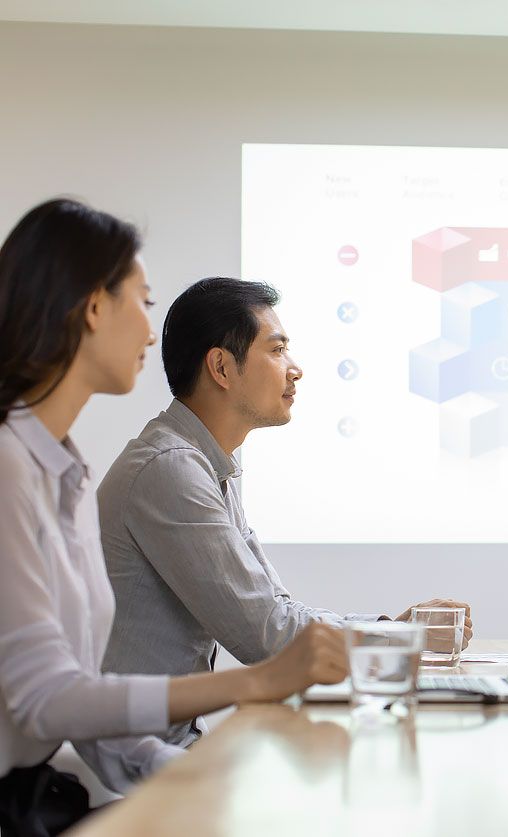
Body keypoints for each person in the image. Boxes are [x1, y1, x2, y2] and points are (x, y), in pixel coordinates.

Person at [0, 198, 346, 835]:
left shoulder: (65, 468)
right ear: (93, 308)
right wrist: (249, 686)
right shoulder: (16, 468)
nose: (149, 331)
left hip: (68, 782)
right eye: (143, 301)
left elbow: (86, 699)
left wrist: (189, 771)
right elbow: (50, 700)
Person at [95, 277, 473, 763]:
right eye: (277, 350)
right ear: (221, 367)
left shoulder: (206, 466)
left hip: (170, 744)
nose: (296, 370)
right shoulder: (170, 470)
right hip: (138, 758)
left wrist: (392, 630)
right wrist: (396, 638)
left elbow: (274, 609)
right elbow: (266, 634)